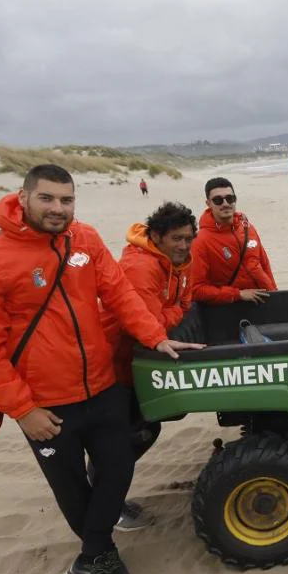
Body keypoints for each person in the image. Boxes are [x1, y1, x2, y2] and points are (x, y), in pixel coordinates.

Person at [0, 164, 203, 574]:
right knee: (73, 489)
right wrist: (23, 410)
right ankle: (97, 556)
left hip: (101, 385)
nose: (58, 208)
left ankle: (91, 556)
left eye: (66, 200)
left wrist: (154, 336)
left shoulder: (83, 239)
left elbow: (120, 295)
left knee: (117, 469)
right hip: (45, 404)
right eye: (47, 199)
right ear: (23, 197)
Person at [100, 201, 198, 529]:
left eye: (188, 238)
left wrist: (169, 314)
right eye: (176, 239)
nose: (184, 246)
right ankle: (106, 507)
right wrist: (172, 315)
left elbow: (181, 303)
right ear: (156, 236)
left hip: (135, 360)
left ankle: (110, 500)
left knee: (141, 430)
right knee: (124, 438)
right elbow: (147, 324)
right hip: (113, 363)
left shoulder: (175, 264)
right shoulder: (142, 267)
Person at [189, 177, 278, 304]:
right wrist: (237, 294)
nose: (225, 203)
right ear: (208, 203)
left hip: (266, 302)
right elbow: (195, 289)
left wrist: (275, 293)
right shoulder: (200, 241)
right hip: (231, 309)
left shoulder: (248, 228)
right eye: (218, 200)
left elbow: (264, 265)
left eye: (230, 198)